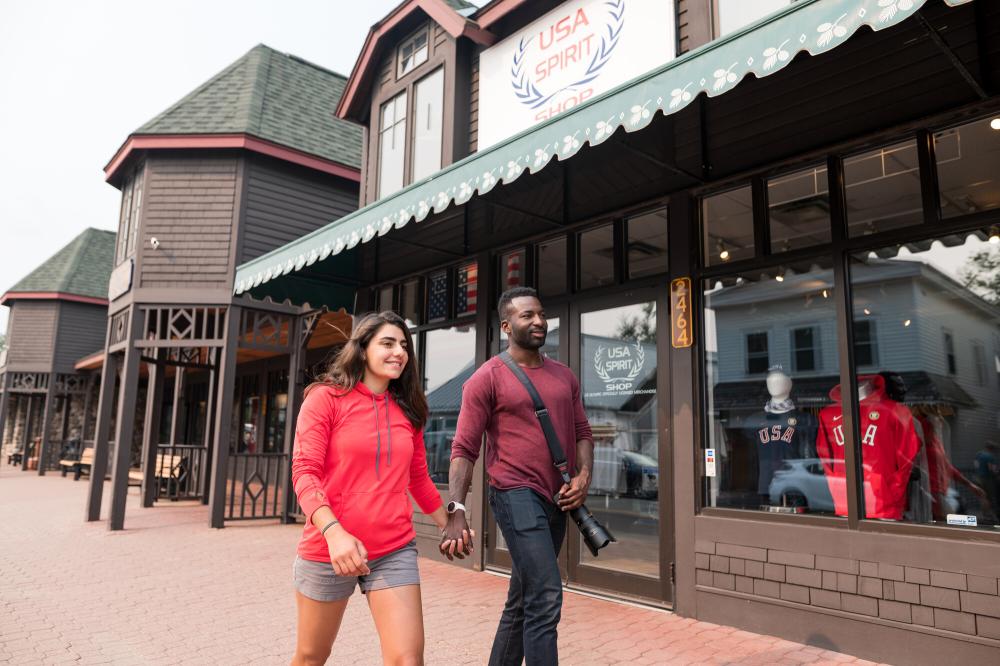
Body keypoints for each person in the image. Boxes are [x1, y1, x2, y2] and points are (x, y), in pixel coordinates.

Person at [290, 311, 455, 666]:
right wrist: (334, 533)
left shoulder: (409, 411)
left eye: (404, 345)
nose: (399, 352)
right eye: (388, 343)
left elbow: (418, 478)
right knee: (310, 656)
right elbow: (305, 472)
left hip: (393, 548)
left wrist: (448, 523)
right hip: (329, 549)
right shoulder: (325, 399)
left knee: (407, 659)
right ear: (363, 349)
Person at [442, 286, 594, 666]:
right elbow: (463, 449)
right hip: (513, 492)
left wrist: (584, 475)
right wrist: (456, 508)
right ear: (507, 326)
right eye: (528, 316)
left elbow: (583, 432)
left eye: (541, 314)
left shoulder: (564, 376)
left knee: (524, 596)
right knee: (545, 593)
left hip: (557, 497)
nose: (539, 321)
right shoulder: (486, 378)